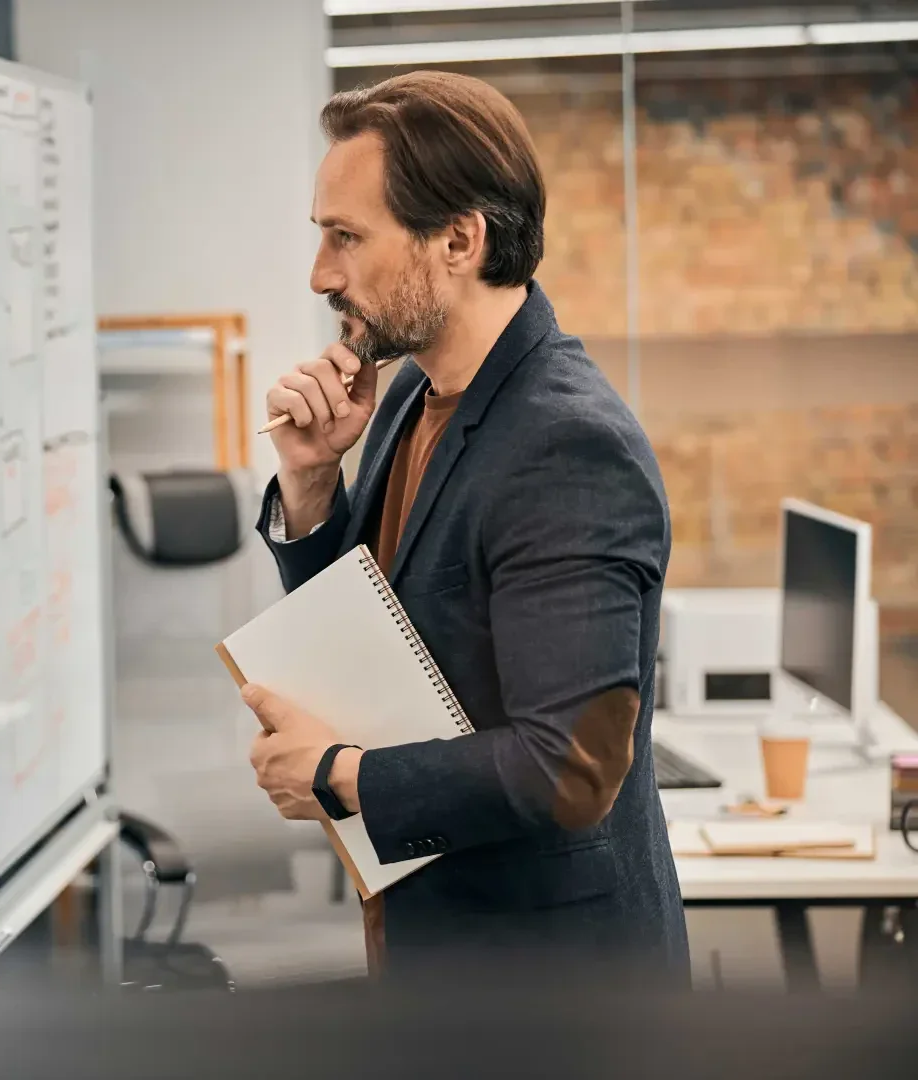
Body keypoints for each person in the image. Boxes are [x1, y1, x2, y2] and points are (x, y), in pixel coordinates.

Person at [244, 70, 687, 982]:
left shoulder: (566, 447)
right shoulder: (413, 390)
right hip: (441, 942)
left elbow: (569, 767)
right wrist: (313, 480)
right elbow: (371, 632)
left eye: (346, 237)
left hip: (552, 990)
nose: (321, 274)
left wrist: (338, 776)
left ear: (459, 239)